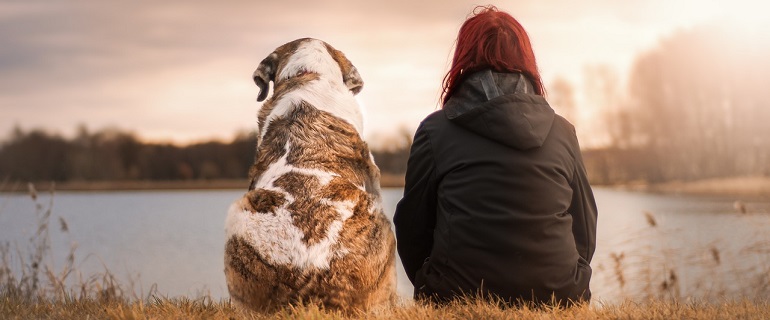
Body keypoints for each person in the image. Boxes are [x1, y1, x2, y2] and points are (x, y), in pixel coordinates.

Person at [393, 5, 597, 307]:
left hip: (455, 296)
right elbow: (585, 227)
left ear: (463, 59)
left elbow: (412, 228)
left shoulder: (435, 131)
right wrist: (568, 278)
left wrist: (431, 281)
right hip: (559, 295)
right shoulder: (563, 131)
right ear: (526, 59)